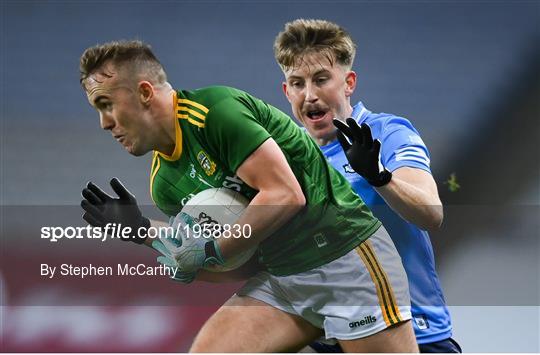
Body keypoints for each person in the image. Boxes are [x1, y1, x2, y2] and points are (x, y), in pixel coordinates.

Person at [78, 40, 418, 352]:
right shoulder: (165, 183)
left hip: (344, 258)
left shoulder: (215, 112)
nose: (104, 123)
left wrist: (209, 251)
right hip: (282, 277)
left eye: (106, 104)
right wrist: (146, 233)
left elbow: (285, 195)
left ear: (145, 92)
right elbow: (240, 263)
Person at [273, 19, 461, 353]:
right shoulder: (285, 157)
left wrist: (379, 176)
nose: (310, 95)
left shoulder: (388, 134)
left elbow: (431, 214)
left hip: (413, 334)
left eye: (321, 79)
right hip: (332, 340)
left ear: (348, 83)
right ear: (287, 92)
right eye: (298, 83)